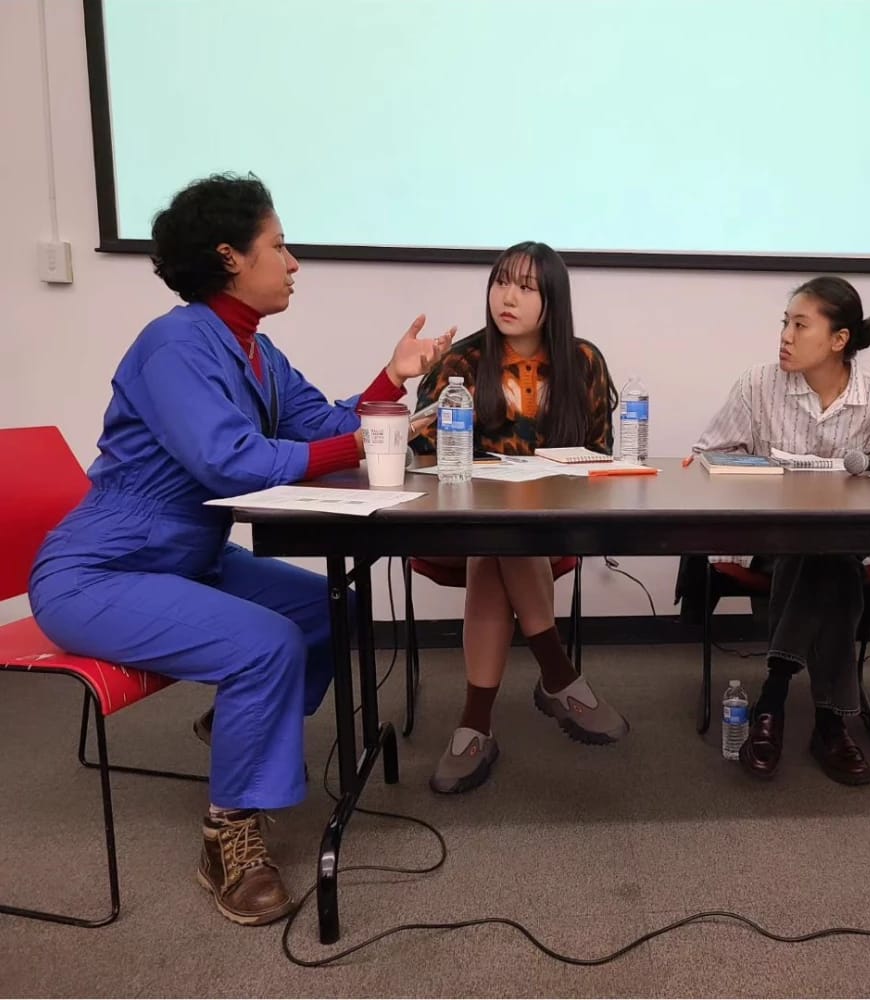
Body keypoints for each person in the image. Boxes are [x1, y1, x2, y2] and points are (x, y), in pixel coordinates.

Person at [28, 173, 453, 925]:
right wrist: (356, 440)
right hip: (100, 573)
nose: (293, 263)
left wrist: (393, 379)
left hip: (191, 561)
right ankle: (228, 834)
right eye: (279, 245)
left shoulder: (255, 351)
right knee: (266, 646)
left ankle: (238, 729)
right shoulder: (174, 345)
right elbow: (233, 463)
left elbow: (322, 424)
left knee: (331, 608)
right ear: (230, 256)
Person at [684, 276, 870, 786]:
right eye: (785, 323)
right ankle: (829, 723)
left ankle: (772, 699)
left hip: (850, 542)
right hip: (772, 545)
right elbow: (710, 454)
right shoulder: (758, 383)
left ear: (839, 340)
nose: (785, 336)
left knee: (828, 552)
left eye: (800, 325)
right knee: (823, 556)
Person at [410, 241, 626, 795]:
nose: (508, 296)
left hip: (550, 528)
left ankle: (476, 723)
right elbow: (423, 450)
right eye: (502, 282)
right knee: (497, 537)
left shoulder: (583, 362)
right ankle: (558, 675)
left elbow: (600, 451)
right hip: (461, 527)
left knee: (504, 543)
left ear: (552, 298)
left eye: (526, 287)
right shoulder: (461, 361)